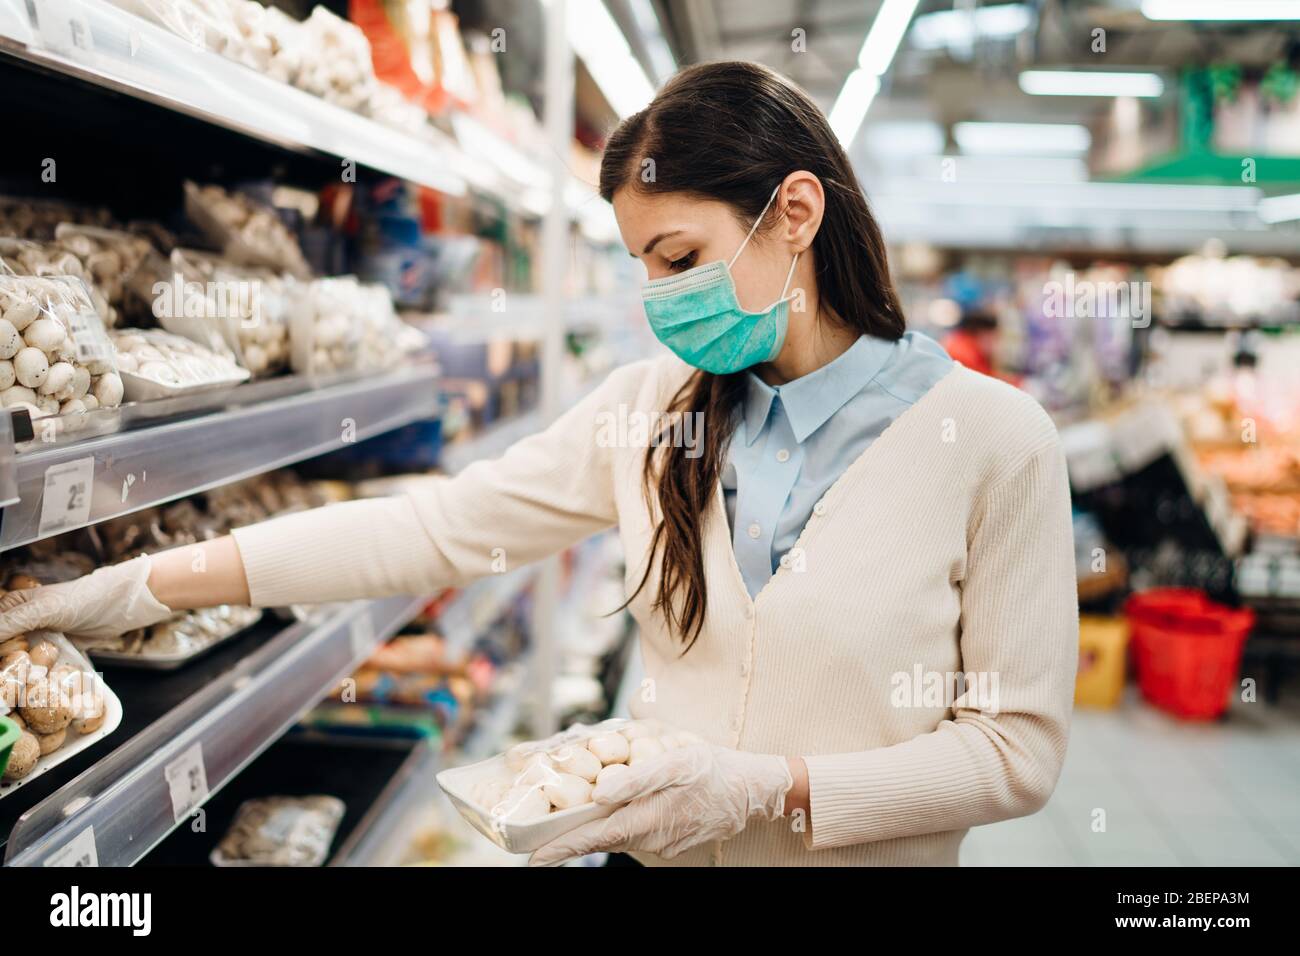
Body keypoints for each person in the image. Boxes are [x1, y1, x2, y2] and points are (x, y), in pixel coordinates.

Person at [0, 62, 1078, 867]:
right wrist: (127, 589)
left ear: (794, 212)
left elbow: (1012, 754)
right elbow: (431, 527)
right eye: (641, 267)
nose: (660, 297)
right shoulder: (650, 413)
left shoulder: (993, 442)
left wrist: (764, 789)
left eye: (681, 259)